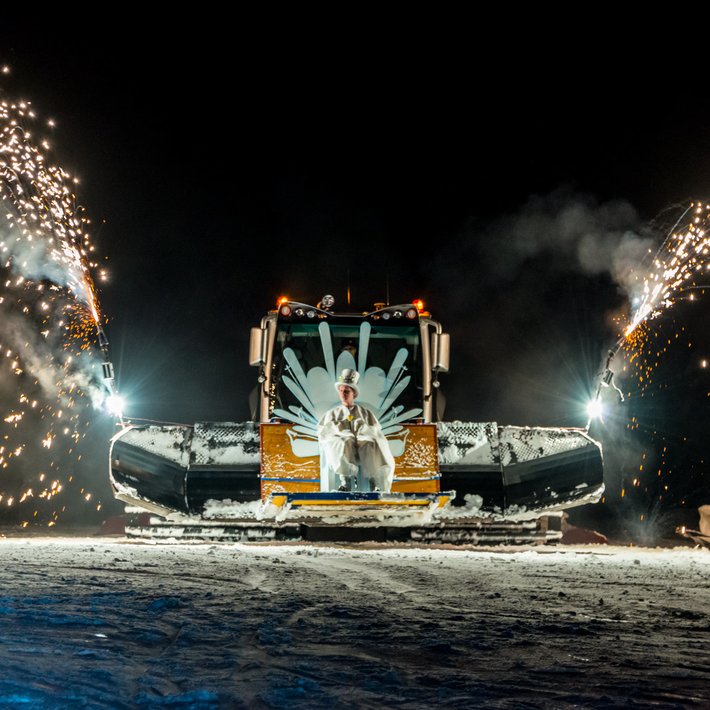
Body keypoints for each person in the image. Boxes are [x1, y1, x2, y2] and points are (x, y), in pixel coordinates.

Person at [317, 368, 395, 492]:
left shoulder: (364, 412)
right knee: (342, 443)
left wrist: (363, 431)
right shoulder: (333, 413)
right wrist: (341, 431)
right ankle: (345, 482)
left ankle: (373, 483)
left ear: (353, 393)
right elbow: (325, 431)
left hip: (362, 440)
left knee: (372, 443)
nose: (343, 394)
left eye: (346, 391)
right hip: (343, 441)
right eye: (341, 391)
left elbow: (375, 430)